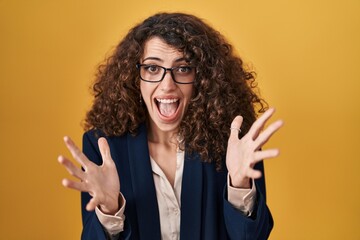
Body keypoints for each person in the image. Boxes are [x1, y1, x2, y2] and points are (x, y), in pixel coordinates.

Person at [58, 12, 283, 240]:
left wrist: (240, 185)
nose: (167, 85)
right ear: (134, 78)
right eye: (153, 68)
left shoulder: (232, 143)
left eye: (183, 68)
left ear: (202, 79)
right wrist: (109, 211)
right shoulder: (103, 147)